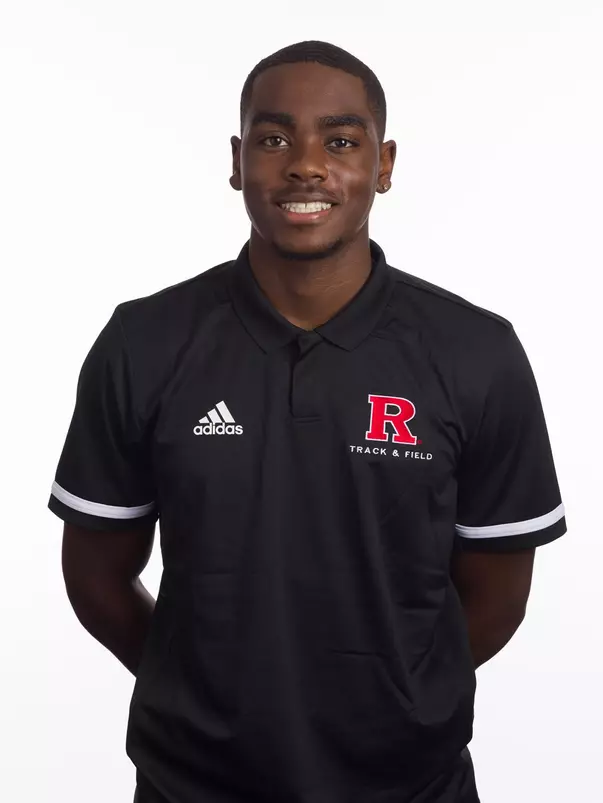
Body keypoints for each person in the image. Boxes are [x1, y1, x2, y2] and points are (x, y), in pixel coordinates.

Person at [48, 40, 567, 803]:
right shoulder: (145, 341)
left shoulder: (475, 352)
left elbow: (497, 595)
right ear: (236, 159)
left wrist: (394, 698)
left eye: (341, 140)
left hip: (410, 786)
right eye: (272, 138)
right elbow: (95, 577)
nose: (305, 164)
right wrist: (201, 689)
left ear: (383, 165)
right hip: (191, 784)